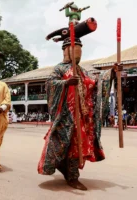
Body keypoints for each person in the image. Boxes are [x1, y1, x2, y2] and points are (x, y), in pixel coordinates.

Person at [38, 27, 116, 190]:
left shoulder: (82, 70)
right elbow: (50, 84)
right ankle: (69, 173)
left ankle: (72, 175)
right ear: (66, 51)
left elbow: (94, 83)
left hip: (82, 117)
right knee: (65, 146)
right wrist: (65, 83)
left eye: (80, 50)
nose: (78, 53)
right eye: (75, 49)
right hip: (66, 116)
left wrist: (112, 73)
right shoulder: (59, 69)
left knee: (76, 147)